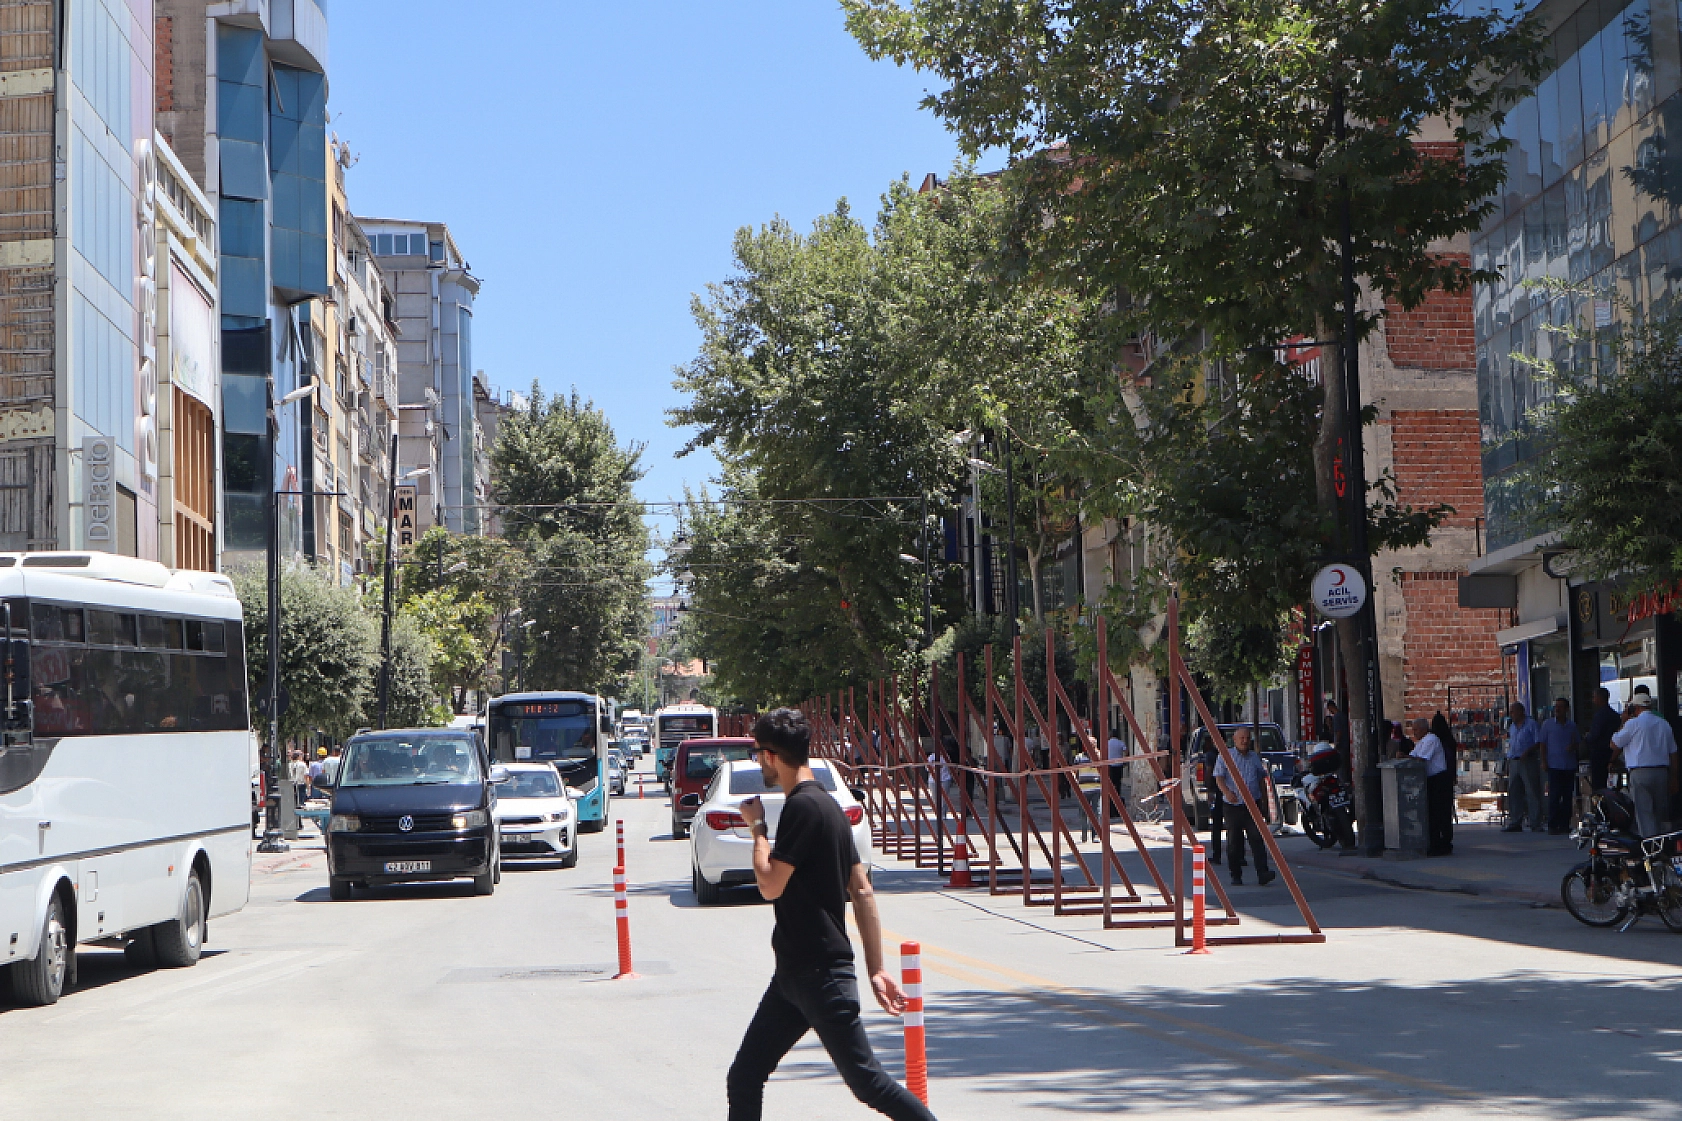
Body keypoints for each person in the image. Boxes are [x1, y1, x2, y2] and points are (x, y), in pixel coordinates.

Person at [728, 709, 937, 1121]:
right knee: (745, 1076)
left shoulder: (803, 808)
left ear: (771, 756)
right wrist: (876, 969)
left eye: (757, 754)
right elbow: (862, 889)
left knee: (870, 1084)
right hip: (793, 979)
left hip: (820, 977)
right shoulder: (830, 805)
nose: (757, 763)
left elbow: (770, 885)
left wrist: (757, 829)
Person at [1610, 691, 1679, 838]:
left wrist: (1623, 722)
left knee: (1644, 812)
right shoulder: (1663, 724)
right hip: (1661, 772)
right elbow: (1673, 753)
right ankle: (1663, 841)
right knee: (1661, 811)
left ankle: (1649, 842)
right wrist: (1674, 777)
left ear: (1634, 708)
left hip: (1640, 773)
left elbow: (1614, 744)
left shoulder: (1632, 724)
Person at [1212, 727, 1274, 886]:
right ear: (1234, 739)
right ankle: (1235, 875)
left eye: (1247, 738)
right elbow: (1219, 777)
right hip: (1233, 805)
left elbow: (1261, 779)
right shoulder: (1226, 756)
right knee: (1234, 841)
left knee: (1256, 838)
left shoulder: (1254, 757)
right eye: (1242, 738)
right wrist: (1227, 792)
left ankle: (1263, 872)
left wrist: (1265, 802)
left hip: (1252, 804)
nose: (1245, 741)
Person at [1407, 718, 1453, 856]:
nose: (1414, 733)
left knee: (1439, 812)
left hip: (1439, 779)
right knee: (1431, 813)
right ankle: (1434, 842)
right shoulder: (1421, 742)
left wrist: (1410, 758)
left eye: (1416, 730)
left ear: (1424, 729)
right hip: (1430, 780)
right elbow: (1413, 755)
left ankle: (1443, 843)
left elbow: (1421, 759)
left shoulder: (1431, 739)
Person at [1538, 697, 1580, 834]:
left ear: (1567, 709)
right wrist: (1544, 761)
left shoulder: (1572, 726)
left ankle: (1564, 824)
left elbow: (1578, 743)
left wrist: (1573, 747)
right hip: (1554, 765)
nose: (1557, 709)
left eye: (1561, 706)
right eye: (1556, 706)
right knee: (1554, 796)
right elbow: (1542, 744)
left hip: (1568, 765)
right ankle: (1552, 825)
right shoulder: (1547, 725)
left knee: (1567, 797)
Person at [1502, 703, 1544, 833]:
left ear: (1521, 711)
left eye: (1513, 712)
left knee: (1532, 791)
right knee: (1514, 791)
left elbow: (1539, 742)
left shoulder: (1531, 724)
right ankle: (1515, 821)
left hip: (1527, 760)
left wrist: (1528, 751)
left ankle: (1535, 822)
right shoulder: (1512, 727)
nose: (1511, 715)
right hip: (1514, 761)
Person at [1429, 711, 1459, 853]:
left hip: (1438, 779)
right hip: (1447, 779)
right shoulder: (1450, 741)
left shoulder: (1436, 742)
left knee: (1437, 811)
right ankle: (1446, 838)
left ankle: (1439, 840)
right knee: (1446, 811)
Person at [1582, 687, 1620, 792]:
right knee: (1613, 785)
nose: (1593, 700)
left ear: (1599, 698)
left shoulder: (1599, 716)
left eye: (1594, 697)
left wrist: (1587, 738)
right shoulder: (1615, 715)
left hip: (1599, 754)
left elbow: (1595, 735)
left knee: (1598, 785)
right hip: (1612, 753)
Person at [1106, 729, 1127, 799]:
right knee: (1118, 781)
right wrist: (1124, 760)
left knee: (1111, 781)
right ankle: (1118, 795)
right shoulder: (1120, 743)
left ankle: (1111, 795)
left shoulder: (1107, 743)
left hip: (1110, 765)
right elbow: (1126, 751)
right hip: (1119, 765)